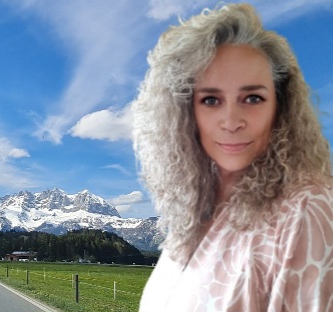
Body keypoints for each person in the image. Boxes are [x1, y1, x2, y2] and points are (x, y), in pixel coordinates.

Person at [133, 3, 333, 311]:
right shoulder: (193, 211)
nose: (231, 120)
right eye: (211, 99)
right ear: (185, 112)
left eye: (252, 98)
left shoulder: (306, 209)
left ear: (281, 107)